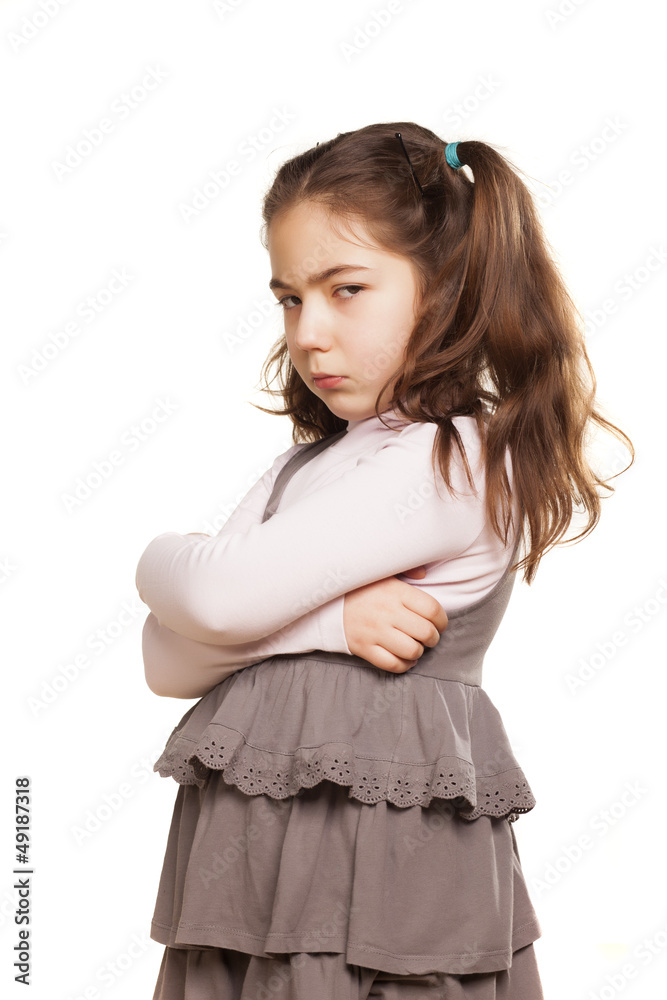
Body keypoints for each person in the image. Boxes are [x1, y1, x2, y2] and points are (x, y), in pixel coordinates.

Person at [135, 122, 633, 999]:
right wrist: (327, 620)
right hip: (255, 871)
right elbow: (165, 658)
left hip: (378, 881)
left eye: (346, 289)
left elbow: (211, 603)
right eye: (289, 299)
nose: (309, 333)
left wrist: (191, 576)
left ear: (446, 287)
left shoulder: (457, 458)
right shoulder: (307, 463)